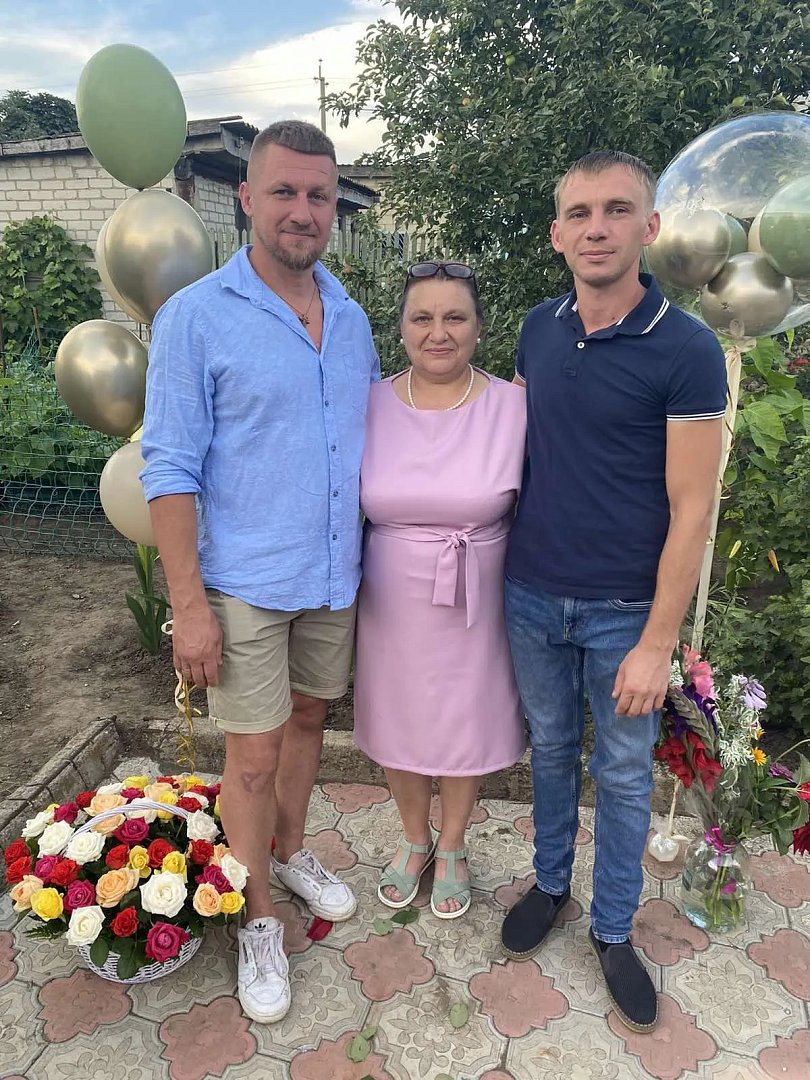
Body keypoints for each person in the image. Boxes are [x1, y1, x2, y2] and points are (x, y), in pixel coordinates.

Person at [139, 120, 379, 1024]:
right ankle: (258, 919)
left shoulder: (350, 318)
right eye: (283, 191)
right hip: (242, 583)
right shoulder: (197, 317)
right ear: (246, 199)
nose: (302, 210)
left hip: (331, 575)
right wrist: (188, 606)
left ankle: (287, 849)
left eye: (319, 195)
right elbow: (169, 468)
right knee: (251, 756)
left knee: (310, 721)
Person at [500, 151, 726, 1032]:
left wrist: (658, 641)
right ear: (557, 234)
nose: (597, 228)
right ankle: (551, 883)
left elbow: (693, 506)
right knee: (552, 751)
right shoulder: (537, 329)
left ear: (649, 227)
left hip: (624, 611)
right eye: (581, 213)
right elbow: (515, 453)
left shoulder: (687, 348)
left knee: (625, 775)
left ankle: (613, 929)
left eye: (617, 210)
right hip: (531, 593)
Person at [353, 261, 527, 920]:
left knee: (464, 718)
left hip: (477, 593)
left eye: (455, 317)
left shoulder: (513, 407)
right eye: (422, 317)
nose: (439, 332)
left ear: (479, 328)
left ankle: (453, 843)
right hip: (391, 595)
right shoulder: (369, 404)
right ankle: (414, 837)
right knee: (397, 714)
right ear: (400, 329)